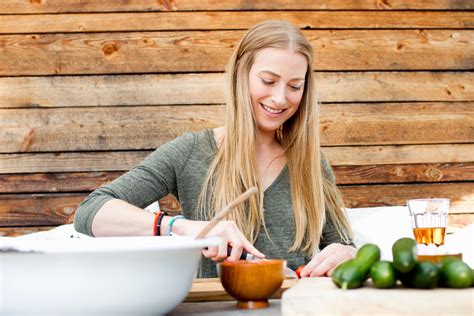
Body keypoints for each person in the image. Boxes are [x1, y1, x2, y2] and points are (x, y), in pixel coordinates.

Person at [74, 20, 356, 278]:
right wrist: (181, 227)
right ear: (240, 76)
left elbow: (341, 244)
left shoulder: (311, 163)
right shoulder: (190, 152)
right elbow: (90, 212)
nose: (280, 98)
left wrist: (347, 254)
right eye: (268, 81)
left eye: (295, 85)